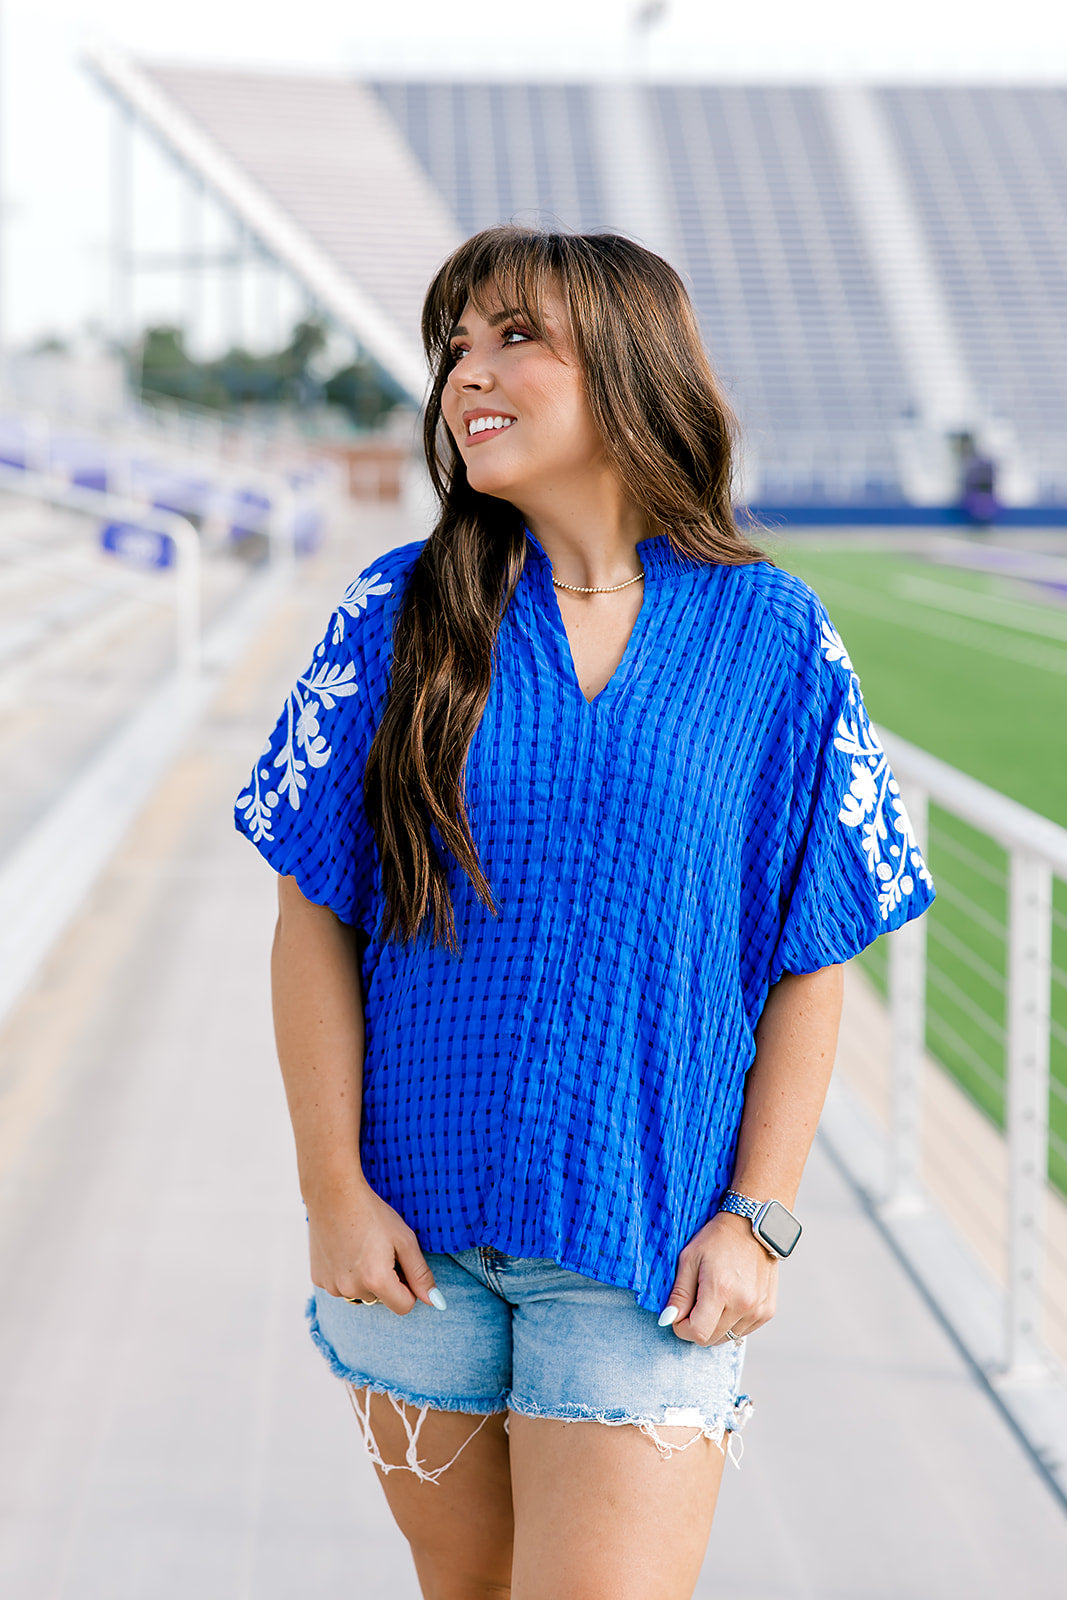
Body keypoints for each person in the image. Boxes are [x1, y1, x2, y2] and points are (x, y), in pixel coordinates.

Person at [235, 226, 935, 1600]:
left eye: (511, 339)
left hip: (648, 1243)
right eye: (454, 344)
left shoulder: (772, 636)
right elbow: (310, 915)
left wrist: (762, 1218)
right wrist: (330, 1190)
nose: (461, 374)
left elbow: (813, 952)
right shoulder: (393, 614)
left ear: (627, 371)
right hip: (411, 1241)